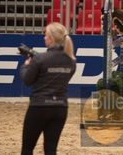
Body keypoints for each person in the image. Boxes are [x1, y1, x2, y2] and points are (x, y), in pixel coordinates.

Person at [20, 22, 76, 155]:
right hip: (60, 108)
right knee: (51, 149)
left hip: (39, 106)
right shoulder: (71, 61)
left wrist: (26, 65)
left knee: (27, 148)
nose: (44, 38)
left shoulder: (40, 58)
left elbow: (27, 80)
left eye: (46, 35)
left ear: (51, 38)